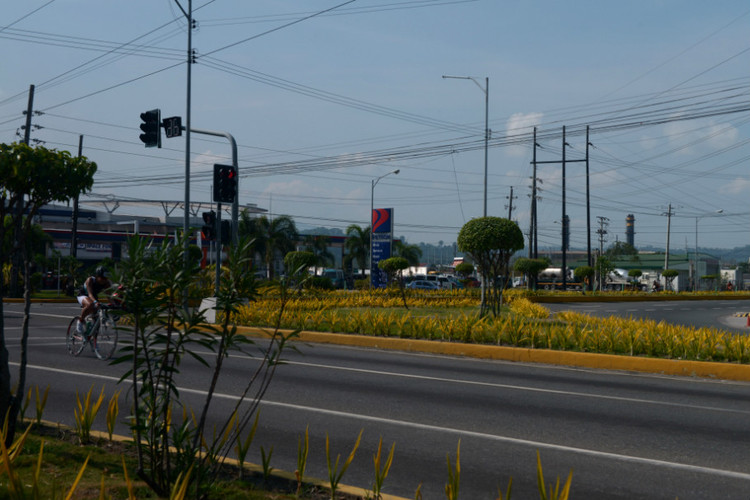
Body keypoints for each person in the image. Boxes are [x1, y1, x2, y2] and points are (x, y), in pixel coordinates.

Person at [76, 266, 112, 335]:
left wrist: (114, 304)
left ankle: (94, 341)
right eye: (102, 278)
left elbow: (109, 297)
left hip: (94, 297)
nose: (104, 280)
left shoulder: (107, 283)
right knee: (90, 304)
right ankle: (80, 320)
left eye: (106, 278)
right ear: (97, 276)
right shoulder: (90, 280)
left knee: (97, 320)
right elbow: (90, 294)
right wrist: (95, 302)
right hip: (83, 295)